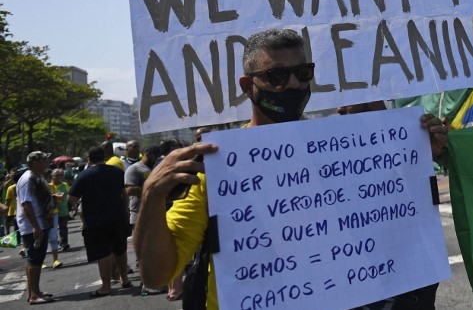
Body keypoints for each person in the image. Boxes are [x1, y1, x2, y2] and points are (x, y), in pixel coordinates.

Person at [135, 28, 449, 310]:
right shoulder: (218, 168)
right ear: (248, 85)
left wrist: (417, 156)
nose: (294, 84)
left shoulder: (341, 155)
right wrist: (150, 194)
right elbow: (156, 274)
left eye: (303, 72)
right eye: (277, 76)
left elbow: (389, 217)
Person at [68, 145, 131, 297]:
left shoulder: (84, 175)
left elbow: (72, 198)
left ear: (89, 159)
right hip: (117, 217)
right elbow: (125, 194)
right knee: (120, 249)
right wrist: (125, 211)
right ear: (104, 157)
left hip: (96, 220)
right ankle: (125, 279)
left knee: (103, 253)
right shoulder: (117, 172)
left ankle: (106, 286)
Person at [17, 152, 55, 305]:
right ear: (34, 162)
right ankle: (34, 296)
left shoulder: (36, 176)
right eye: (43, 160)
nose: (46, 162)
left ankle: (34, 291)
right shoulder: (28, 179)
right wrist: (35, 227)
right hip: (34, 225)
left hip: (41, 223)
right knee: (35, 260)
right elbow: (26, 204)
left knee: (35, 259)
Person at [49, 169, 70, 253]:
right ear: (52, 176)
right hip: (52, 211)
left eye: (60, 175)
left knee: (63, 228)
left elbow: (69, 194)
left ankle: (64, 243)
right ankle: (55, 244)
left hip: (63, 210)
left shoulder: (65, 185)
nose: (58, 177)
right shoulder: (49, 186)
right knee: (53, 229)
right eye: (56, 175)